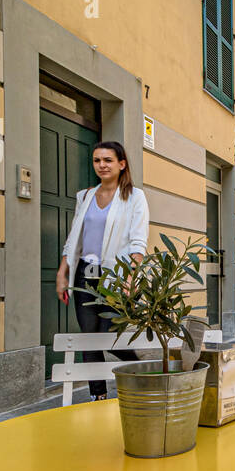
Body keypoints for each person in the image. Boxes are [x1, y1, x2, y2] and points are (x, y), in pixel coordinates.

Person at [55, 141, 150, 400]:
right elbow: (75, 237)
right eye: (97, 160)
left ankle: (143, 371)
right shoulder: (85, 196)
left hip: (116, 275)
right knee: (89, 337)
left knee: (110, 334)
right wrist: (63, 271)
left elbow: (138, 241)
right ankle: (98, 396)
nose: (102, 165)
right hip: (85, 272)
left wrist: (130, 278)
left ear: (121, 164)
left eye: (108, 160)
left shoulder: (134, 197)